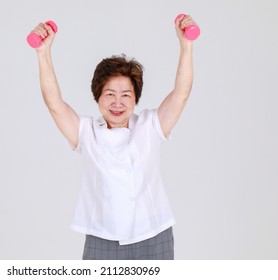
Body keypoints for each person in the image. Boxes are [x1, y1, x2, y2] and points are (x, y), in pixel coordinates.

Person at [29, 15, 197, 260]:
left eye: (126, 95)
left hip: (154, 236)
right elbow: (54, 104)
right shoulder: (86, 132)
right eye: (109, 94)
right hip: (102, 239)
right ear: (97, 96)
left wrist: (186, 46)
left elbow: (181, 93)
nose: (117, 103)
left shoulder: (151, 125)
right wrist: (43, 53)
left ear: (135, 99)